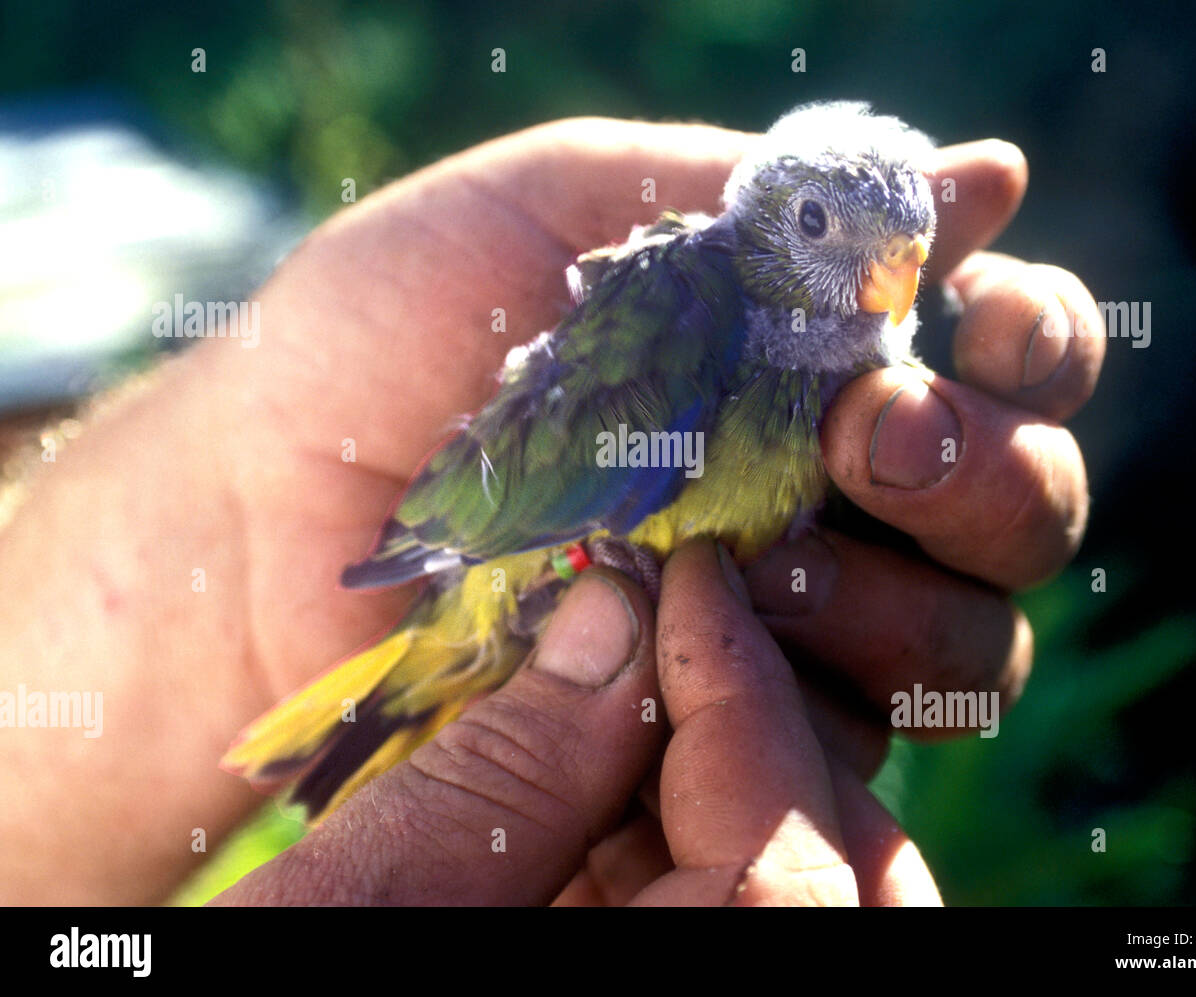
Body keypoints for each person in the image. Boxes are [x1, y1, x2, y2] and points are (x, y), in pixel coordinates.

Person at [0, 117, 1104, 906]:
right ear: (763, 218)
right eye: (819, 224)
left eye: (900, 259)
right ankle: (387, 708)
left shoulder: (861, 375)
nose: (881, 284)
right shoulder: (691, 308)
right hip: (503, 571)